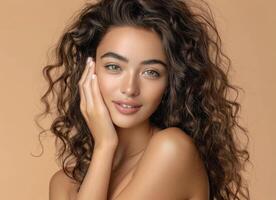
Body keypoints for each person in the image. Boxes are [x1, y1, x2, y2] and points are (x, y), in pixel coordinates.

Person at [36, 0, 250, 199]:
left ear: (170, 83)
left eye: (151, 72)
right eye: (114, 67)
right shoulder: (65, 184)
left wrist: (105, 145)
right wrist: (104, 149)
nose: (130, 88)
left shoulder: (172, 150)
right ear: (89, 71)